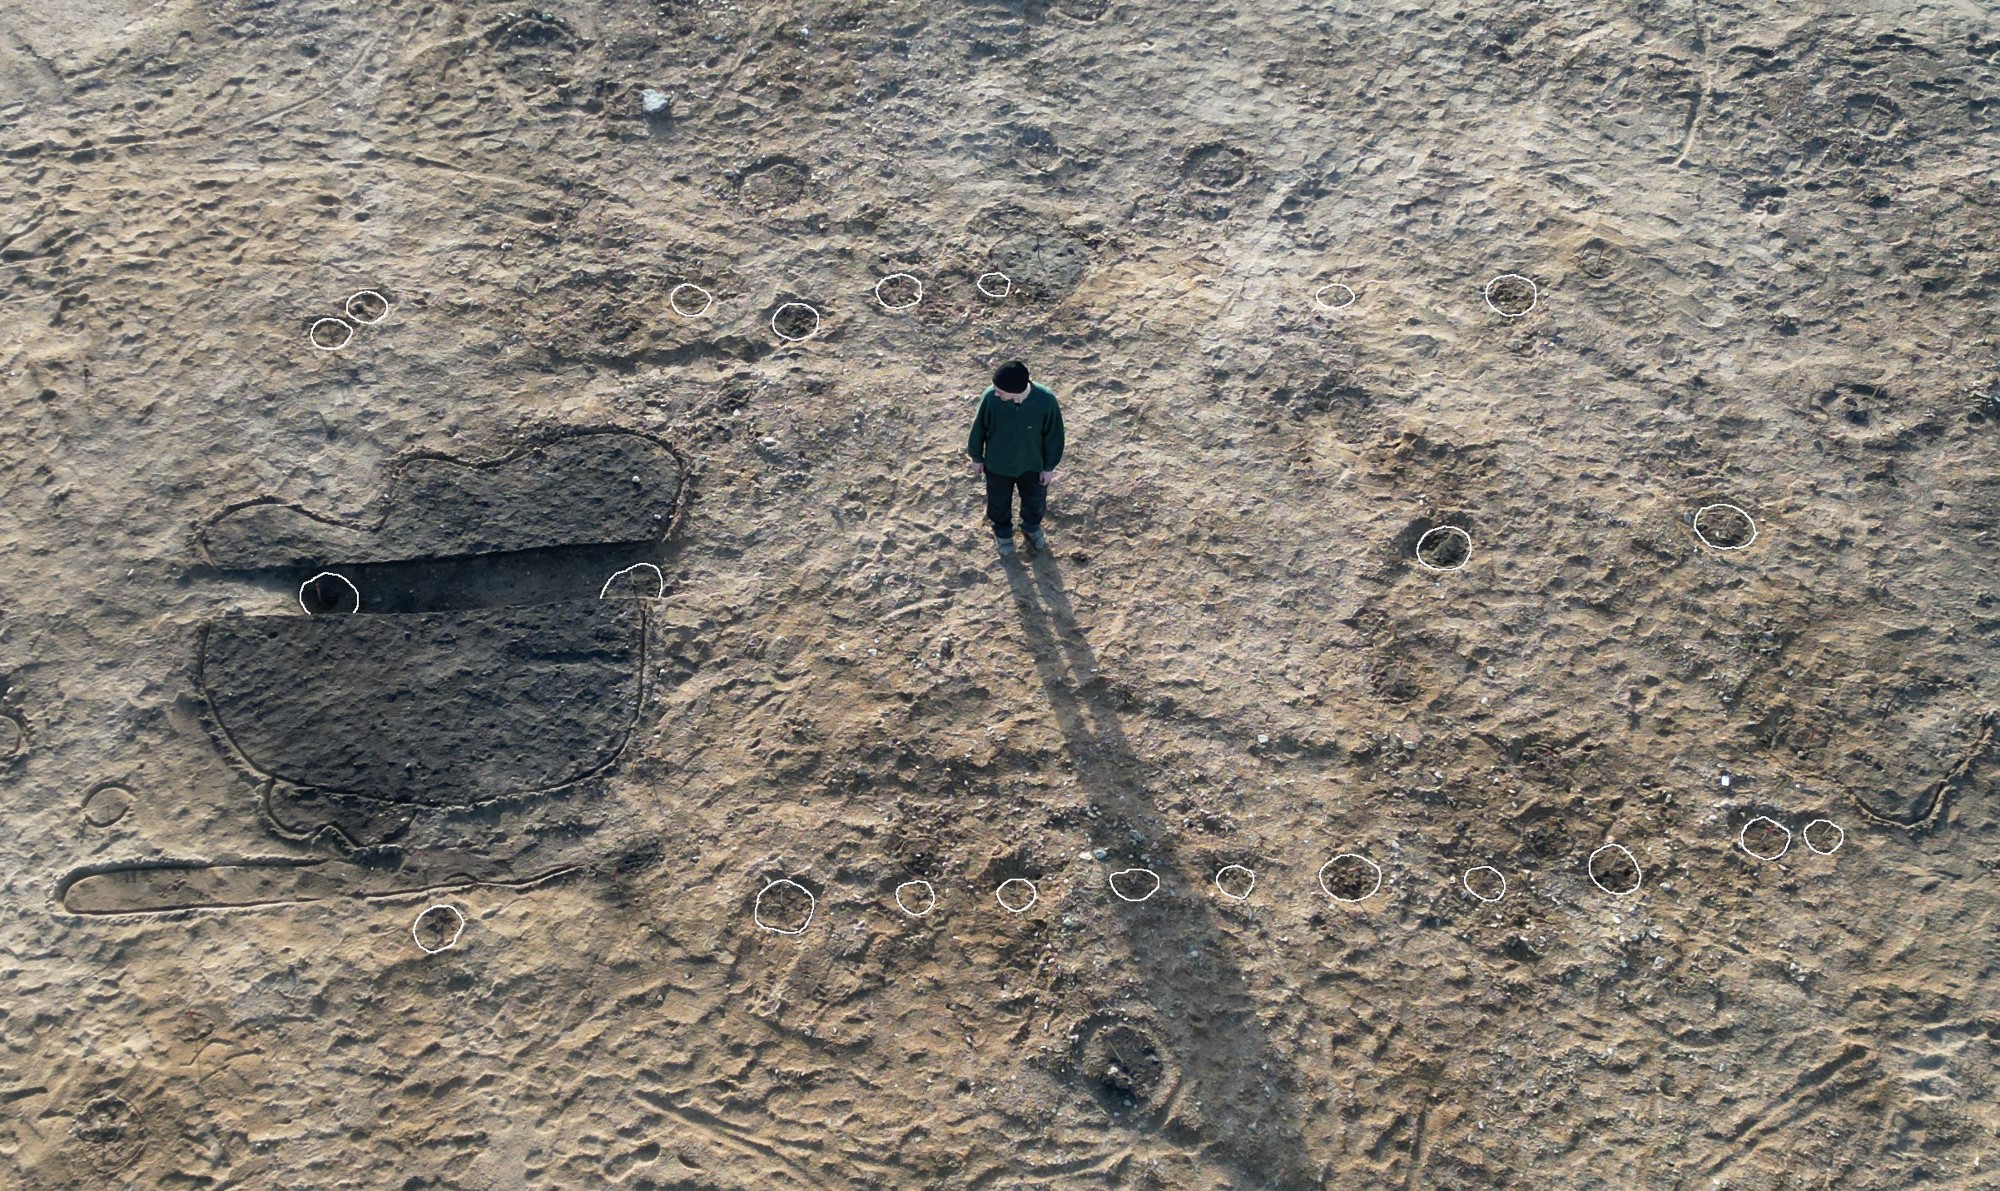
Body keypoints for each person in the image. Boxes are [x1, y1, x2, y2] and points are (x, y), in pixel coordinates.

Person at [966, 360, 1064, 557]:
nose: (995, 393)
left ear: (1016, 390)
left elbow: (1054, 436)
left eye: (1000, 391)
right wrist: (976, 457)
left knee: (1035, 499)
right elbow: (978, 429)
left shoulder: (1046, 400)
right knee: (998, 500)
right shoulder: (990, 398)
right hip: (997, 465)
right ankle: (1002, 532)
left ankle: (1031, 527)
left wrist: (1048, 467)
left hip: (1032, 465)